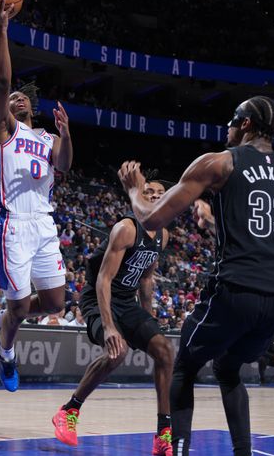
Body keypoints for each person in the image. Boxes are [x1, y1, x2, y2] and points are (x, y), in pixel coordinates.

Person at [117, 96, 274, 456]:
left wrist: (133, 189)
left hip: (237, 287)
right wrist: (217, 221)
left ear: (247, 124)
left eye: (233, 119)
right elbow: (263, 232)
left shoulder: (219, 162)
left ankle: (180, 450)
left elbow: (151, 218)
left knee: (183, 366)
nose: (227, 126)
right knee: (229, 368)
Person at [0, 0, 73, 392]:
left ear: (31, 106)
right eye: (11, 98)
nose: (15, 98)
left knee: (55, 304)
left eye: (21, 98)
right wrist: (1, 29)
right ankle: (6, 353)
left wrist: (67, 135)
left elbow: (64, 166)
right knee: (18, 305)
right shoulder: (5, 129)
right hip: (12, 223)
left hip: (43, 223)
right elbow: (2, 81)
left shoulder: (48, 136)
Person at [52, 180, 174, 453]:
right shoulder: (126, 229)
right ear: (138, 198)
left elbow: (146, 278)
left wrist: (147, 320)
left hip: (127, 301)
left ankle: (163, 434)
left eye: (160, 194)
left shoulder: (163, 235)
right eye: (148, 192)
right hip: (98, 297)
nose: (154, 197)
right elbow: (103, 280)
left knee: (165, 350)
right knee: (117, 352)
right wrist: (109, 327)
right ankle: (69, 411)